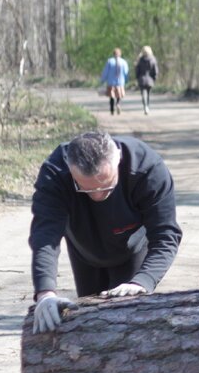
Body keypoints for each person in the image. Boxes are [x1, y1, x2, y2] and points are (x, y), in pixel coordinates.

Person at [28, 131, 183, 334]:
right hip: (84, 248)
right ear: (70, 168)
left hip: (133, 248)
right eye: (86, 189)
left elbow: (166, 235)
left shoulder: (148, 169)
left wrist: (143, 280)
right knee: (90, 327)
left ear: (118, 158)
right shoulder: (56, 172)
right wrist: (45, 293)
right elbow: (45, 237)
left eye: (107, 186)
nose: (98, 195)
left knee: (129, 326)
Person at [101, 48, 130, 115]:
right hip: (120, 82)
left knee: (111, 96)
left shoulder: (110, 61)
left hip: (111, 82)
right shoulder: (123, 62)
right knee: (119, 95)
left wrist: (103, 79)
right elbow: (126, 72)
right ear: (120, 54)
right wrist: (127, 79)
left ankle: (112, 110)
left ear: (113, 54)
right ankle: (118, 104)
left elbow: (106, 72)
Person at [135, 46, 159, 114]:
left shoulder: (140, 59)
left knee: (143, 93)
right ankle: (147, 106)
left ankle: (145, 106)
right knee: (148, 94)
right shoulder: (153, 59)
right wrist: (154, 78)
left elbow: (137, 70)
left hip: (142, 79)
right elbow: (155, 70)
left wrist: (137, 77)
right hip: (150, 79)